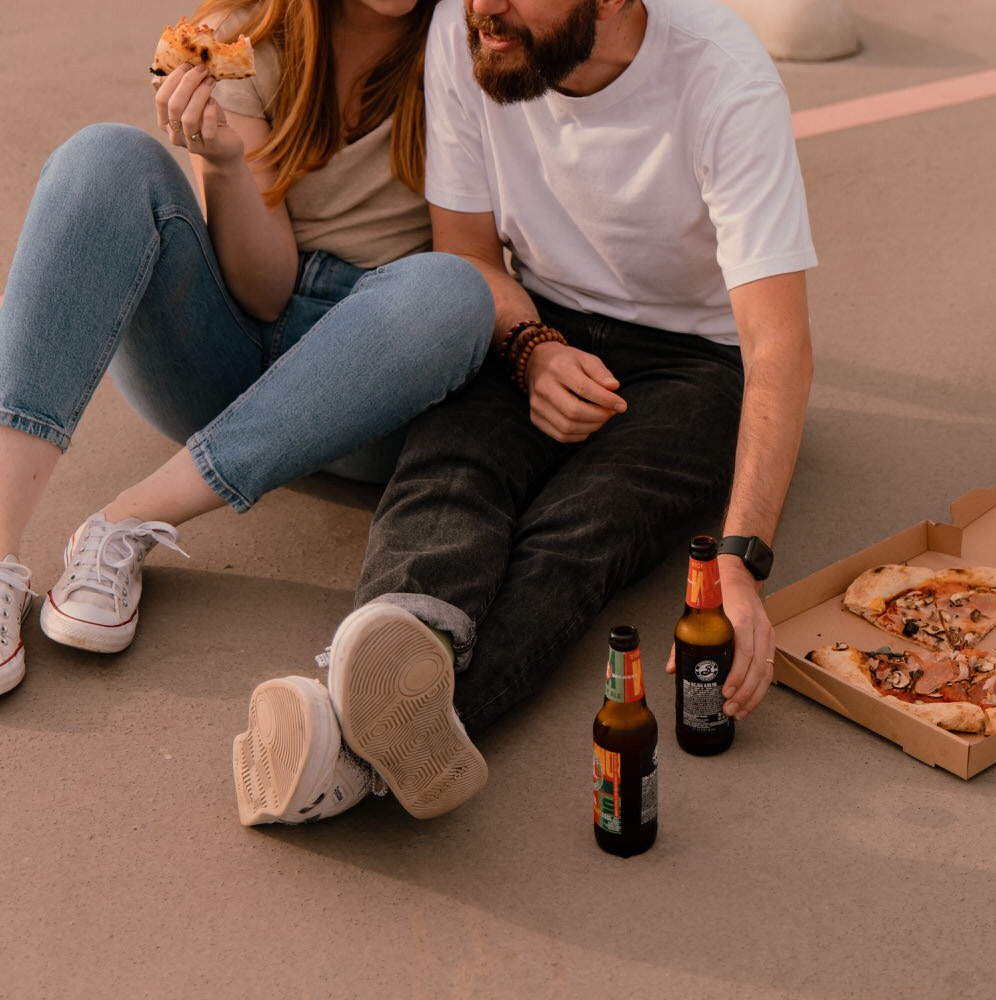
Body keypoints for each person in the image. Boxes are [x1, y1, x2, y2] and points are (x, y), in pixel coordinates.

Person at [232, 0, 816, 825]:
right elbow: (467, 250)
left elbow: (777, 346)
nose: (480, 6)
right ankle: (396, 662)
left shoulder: (723, 77)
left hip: (693, 359)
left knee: (580, 530)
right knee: (449, 470)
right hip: (533, 314)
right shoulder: (471, 38)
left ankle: (343, 739)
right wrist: (530, 348)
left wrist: (738, 560)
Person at [0, 0, 495, 697]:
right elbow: (265, 294)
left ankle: (126, 522)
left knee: (454, 290)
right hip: (223, 348)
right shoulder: (245, 36)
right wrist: (225, 162)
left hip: (369, 380)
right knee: (102, 154)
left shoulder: (476, 37)